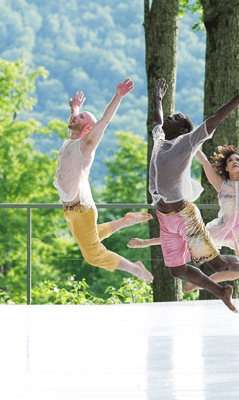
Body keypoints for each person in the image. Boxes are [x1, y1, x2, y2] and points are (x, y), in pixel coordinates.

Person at [129, 119, 239, 333]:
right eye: (232, 161)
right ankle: (147, 243)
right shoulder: (221, 184)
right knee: (185, 238)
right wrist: (189, 138)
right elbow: (200, 157)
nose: (236, 162)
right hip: (221, 227)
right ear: (226, 167)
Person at [145, 77, 239, 313]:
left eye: (176, 117)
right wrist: (157, 99)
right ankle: (222, 291)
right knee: (177, 270)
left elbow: (215, 119)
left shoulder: (188, 142)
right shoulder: (160, 138)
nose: (169, 118)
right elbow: (157, 119)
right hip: (165, 218)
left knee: (219, 264)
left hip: (185, 216)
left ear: (183, 129)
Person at [53, 80, 153, 283]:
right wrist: (75, 108)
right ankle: (126, 221)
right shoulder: (71, 141)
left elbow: (104, 121)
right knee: (90, 237)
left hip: (81, 210)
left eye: (79, 118)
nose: (74, 118)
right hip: (71, 211)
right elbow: (74, 123)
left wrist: (118, 96)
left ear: (87, 127)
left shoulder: (86, 145)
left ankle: (136, 270)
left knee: (93, 254)